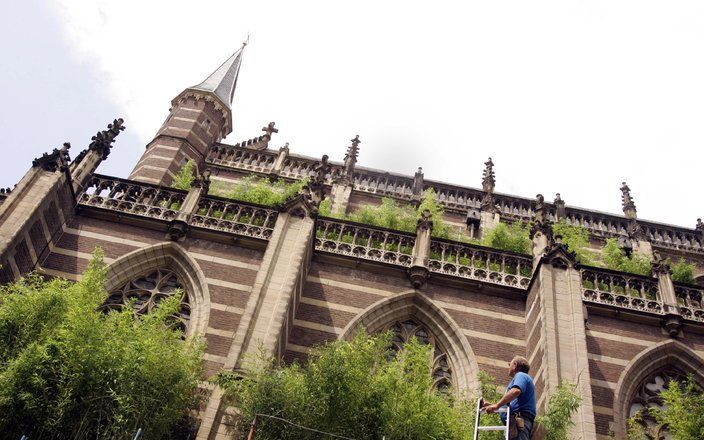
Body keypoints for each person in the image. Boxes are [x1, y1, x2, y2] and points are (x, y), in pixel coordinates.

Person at [483, 356, 536, 440]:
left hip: (519, 423)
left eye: (510, 364)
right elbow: (510, 405)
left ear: (515, 365)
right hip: (515, 424)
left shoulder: (521, 375)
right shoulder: (521, 378)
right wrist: (492, 405)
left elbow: (515, 391)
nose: (509, 366)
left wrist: (497, 405)